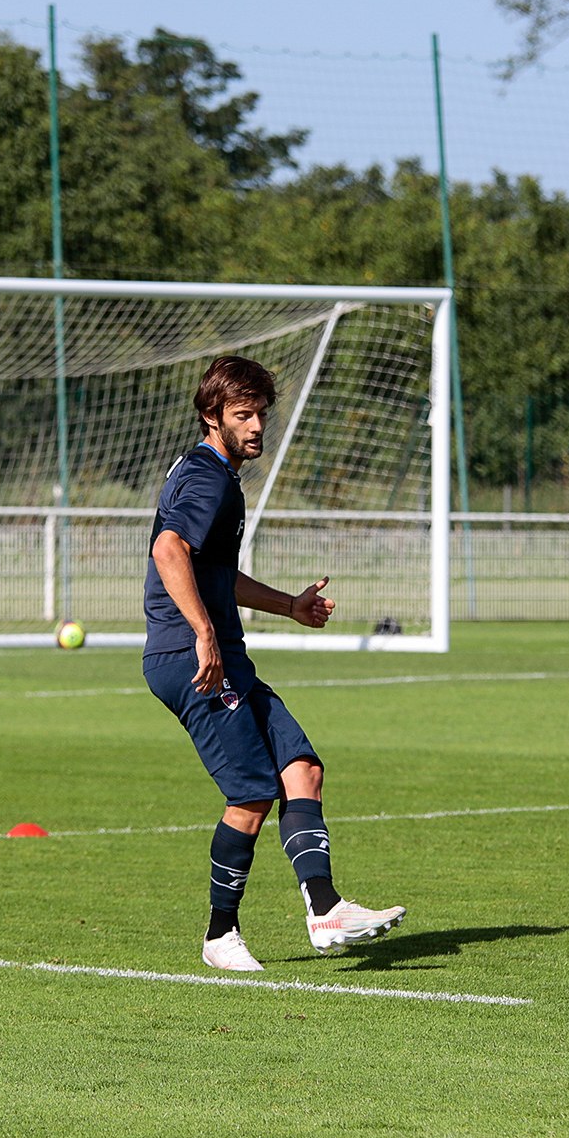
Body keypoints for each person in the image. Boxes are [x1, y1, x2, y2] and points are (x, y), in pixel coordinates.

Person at [143, 355, 407, 972]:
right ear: (213, 418)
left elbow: (212, 571)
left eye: (262, 413)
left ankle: (325, 909)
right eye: (243, 415)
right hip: (193, 656)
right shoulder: (209, 478)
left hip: (218, 651)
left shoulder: (210, 473)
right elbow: (168, 550)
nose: (257, 425)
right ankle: (220, 937)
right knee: (252, 794)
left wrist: (288, 605)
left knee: (301, 767)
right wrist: (204, 634)